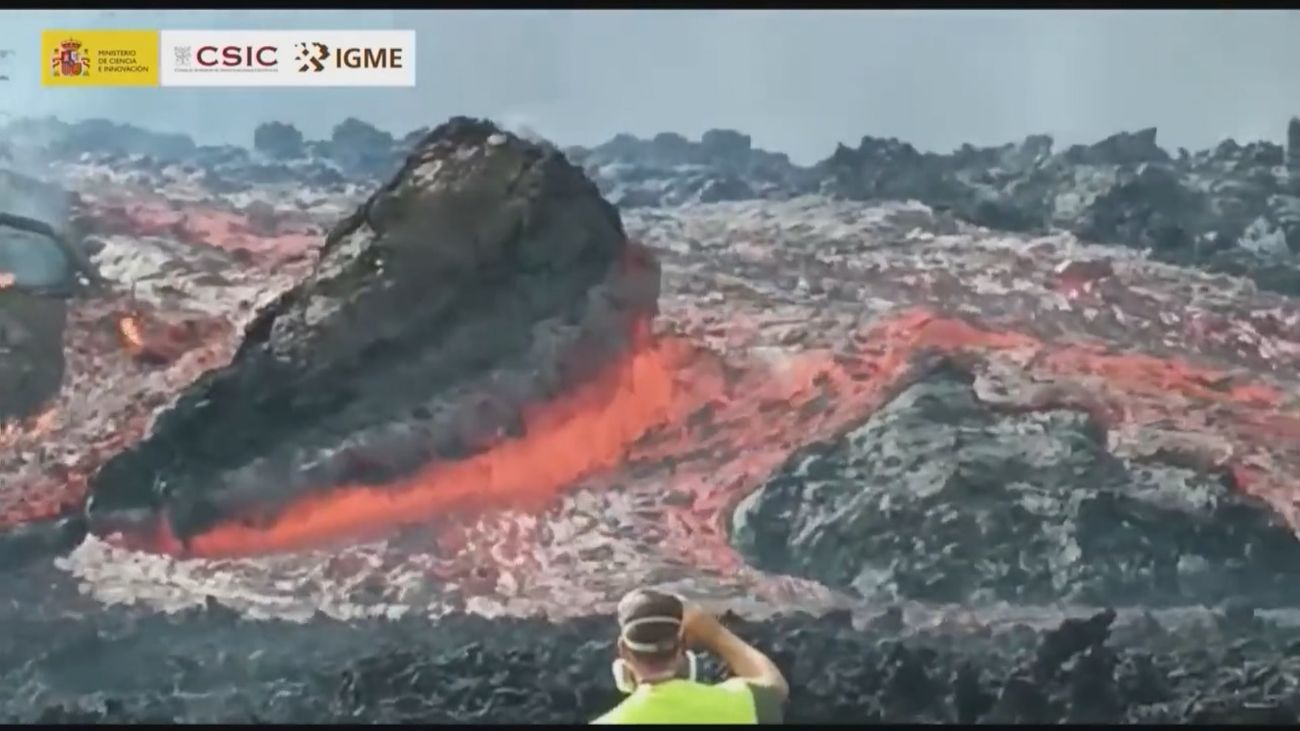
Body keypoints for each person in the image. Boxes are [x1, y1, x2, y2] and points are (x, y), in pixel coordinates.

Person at [592, 588, 789, 724]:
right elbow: (776, 686)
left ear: (623, 650)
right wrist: (712, 631)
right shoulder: (746, 703)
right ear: (683, 644)